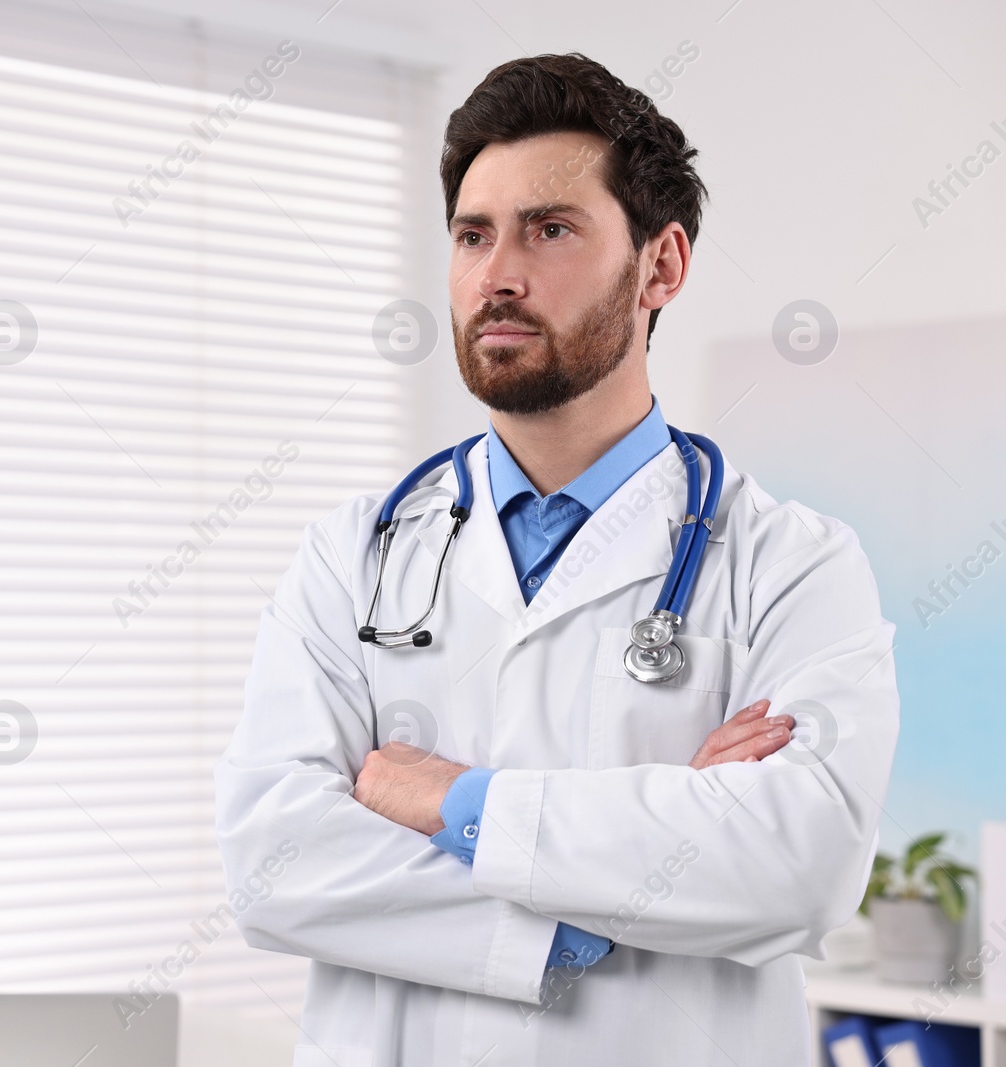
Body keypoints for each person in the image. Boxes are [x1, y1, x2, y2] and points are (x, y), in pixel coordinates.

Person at [214, 53, 899, 1066]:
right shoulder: (350, 556)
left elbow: (796, 865)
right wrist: (606, 898)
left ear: (659, 267)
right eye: (472, 234)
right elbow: (270, 861)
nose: (497, 273)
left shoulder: (792, 564)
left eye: (551, 228)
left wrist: (451, 800)